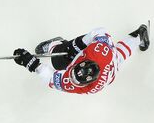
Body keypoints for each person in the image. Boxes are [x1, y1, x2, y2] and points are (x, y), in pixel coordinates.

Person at [13, 24, 150, 94]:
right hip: (109, 61)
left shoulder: (80, 87)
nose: (70, 78)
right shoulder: (98, 49)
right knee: (118, 56)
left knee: (59, 62)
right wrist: (76, 46)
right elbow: (101, 31)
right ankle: (139, 37)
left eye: (74, 79)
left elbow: (50, 77)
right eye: (73, 74)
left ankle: (138, 37)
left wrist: (32, 64)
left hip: (109, 67)